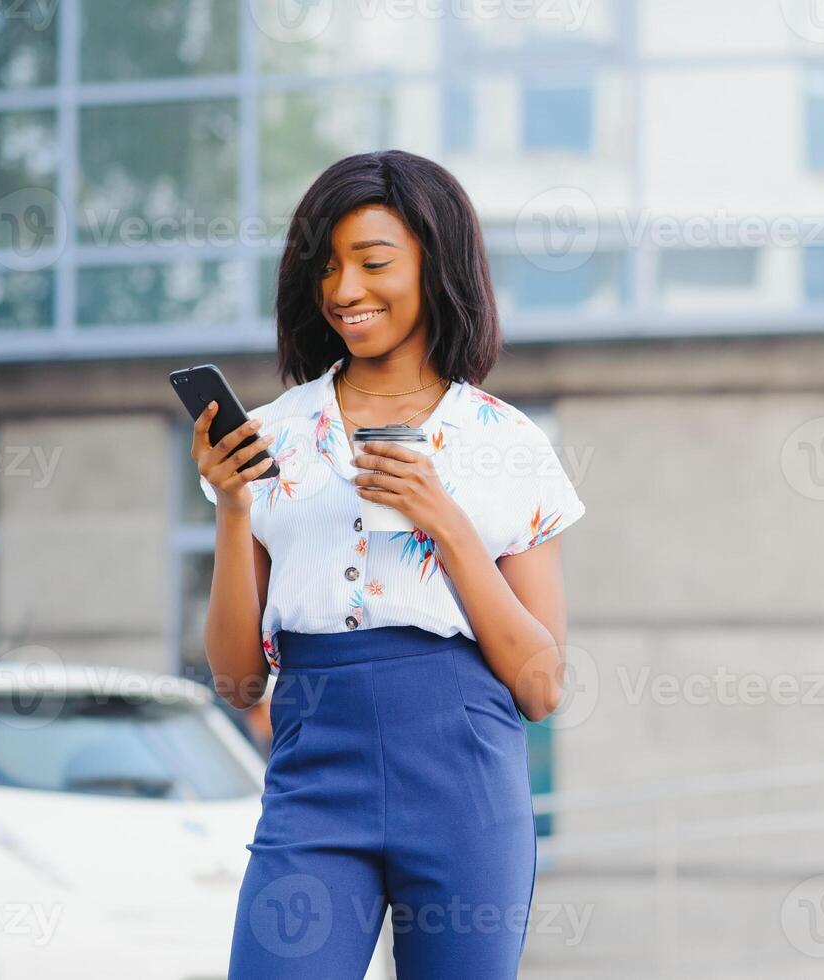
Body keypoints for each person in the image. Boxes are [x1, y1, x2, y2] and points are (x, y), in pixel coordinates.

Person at [190, 150, 585, 979]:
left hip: (463, 779)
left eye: (372, 263)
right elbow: (235, 684)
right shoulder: (273, 436)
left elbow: (543, 687)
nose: (343, 290)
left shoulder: (505, 442)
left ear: (436, 266)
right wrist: (232, 509)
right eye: (328, 267)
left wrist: (444, 522)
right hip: (312, 769)